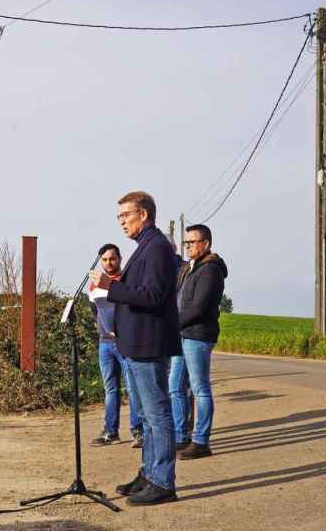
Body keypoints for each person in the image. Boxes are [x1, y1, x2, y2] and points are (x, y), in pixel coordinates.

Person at [89, 191, 181, 506]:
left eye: (126, 215)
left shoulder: (157, 247)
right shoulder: (145, 246)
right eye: (119, 217)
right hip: (136, 343)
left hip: (148, 343)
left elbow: (152, 295)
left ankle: (163, 482)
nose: (121, 222)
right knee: (147, 415)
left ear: (143, 214)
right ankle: (148, 473)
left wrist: (110, 286)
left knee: (157, 415)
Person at [169, 224, 227, 459]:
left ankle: (201, 441)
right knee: (175, 386)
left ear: (206, 244)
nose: (188, 246)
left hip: (198, 336)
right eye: (186, 243)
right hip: (183, 334)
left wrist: (172, 325)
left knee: (199, 388)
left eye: (192, 242)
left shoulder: (210, 270)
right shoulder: (191, 268)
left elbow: (199, 307)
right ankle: (181, 436)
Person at [87, 243, 144, 448]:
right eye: (104, 259)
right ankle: (111, 432)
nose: (108, 263)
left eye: (112, 259)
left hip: (125, 343)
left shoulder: (126, 282)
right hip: (104, 344)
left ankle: (138, 432)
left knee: (132, 388)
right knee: (110, 389)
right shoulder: (93, 286)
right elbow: (96, 311)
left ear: (119, 259)